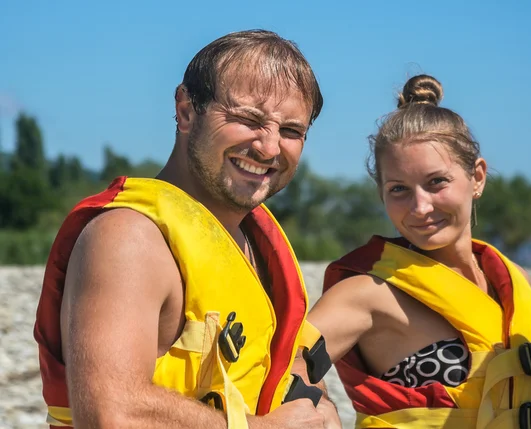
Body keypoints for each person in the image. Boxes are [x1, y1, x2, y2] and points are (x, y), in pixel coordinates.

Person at [34, 29, 340, 429]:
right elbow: (112, 414)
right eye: (248, 119)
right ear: (186, 110)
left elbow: (275, 366)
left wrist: (316, 403)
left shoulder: (256, 243)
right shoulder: (129, 238)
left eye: (290, 131)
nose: (268, 148)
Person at [306, 75, 531, 428]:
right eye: (398, 189)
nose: (420, 207)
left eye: (436, 182)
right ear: (381, 193)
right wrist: (320, 408)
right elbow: (278, 365)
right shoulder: (367, 294)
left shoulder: (513, 280)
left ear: (477, 177)